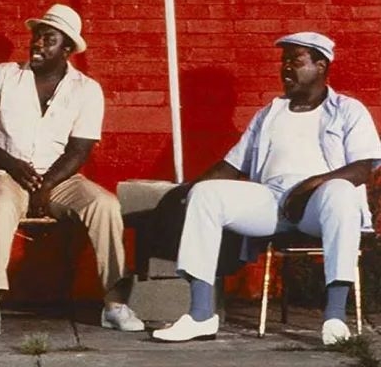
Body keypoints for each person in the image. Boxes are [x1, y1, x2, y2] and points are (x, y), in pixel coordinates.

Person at [153, 32, 380, 345]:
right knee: (206, 195)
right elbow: (232, 165)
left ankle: (335, 318)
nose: (286, 67)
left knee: (340, 191)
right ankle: (201, 315)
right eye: (283, 61)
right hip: (272, 201)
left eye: (295, 60)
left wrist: (310, 185)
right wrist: (187, 191)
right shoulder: (270, 113)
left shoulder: (347, 109)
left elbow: (363, 168)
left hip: (320, 204)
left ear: (321, 65)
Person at [0, 4, 144, 338]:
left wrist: (46, 185)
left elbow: (80, 149)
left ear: (67, 49)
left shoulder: (86, 89)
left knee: (105, 205)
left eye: (49, 39)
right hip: (4, 173)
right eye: (36, 36)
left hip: (60, 178)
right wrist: (13, 165)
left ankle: (115, 303)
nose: (37, 44)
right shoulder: (2, 75)